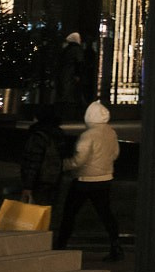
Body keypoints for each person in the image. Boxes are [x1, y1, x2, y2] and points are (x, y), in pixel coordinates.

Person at [53, 100, 121, 261]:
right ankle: (115, 245)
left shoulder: (87, 135)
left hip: (84, 180)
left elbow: (79, 160)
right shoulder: (111, 132)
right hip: (104, 179)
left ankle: (61, 245)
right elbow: (115, 153)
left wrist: (63, 165)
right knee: (106, 213)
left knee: (70, 213)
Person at [17, 108, 66, 205]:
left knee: (34, 211)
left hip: (39, 181)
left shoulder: (38, 136)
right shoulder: (58, 134)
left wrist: (28, 186)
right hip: (54, 179)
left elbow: (32, 162)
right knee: (47, 210)